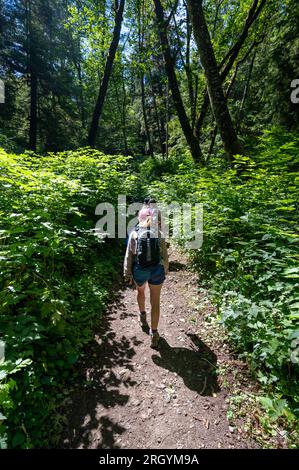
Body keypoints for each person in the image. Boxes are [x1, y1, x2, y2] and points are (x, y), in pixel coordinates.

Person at [123, 198, 169, 348]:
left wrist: (127, 272)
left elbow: (129, 255)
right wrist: (165, 270)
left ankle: (142, 316)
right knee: (155, 301)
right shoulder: (158, 233)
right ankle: (154, 333)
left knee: (140, 292)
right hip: (157, 269)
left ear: (139, 217)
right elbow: (164, 254)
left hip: (140, 269)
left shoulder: (134, 233)